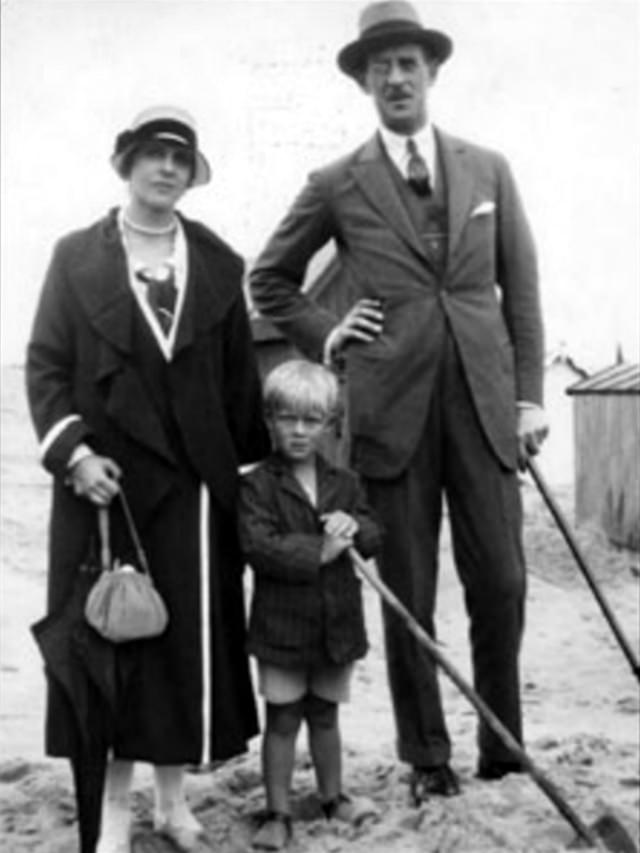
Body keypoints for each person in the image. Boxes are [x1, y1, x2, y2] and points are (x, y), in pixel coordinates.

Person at [250, 1, 549, 804]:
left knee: (504, 582)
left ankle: (503, 743)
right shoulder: (336, 183)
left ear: (432, 71)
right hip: (389, 415)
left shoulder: (488, 168)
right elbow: (268, 279)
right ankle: (427, 755)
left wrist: (528, 399)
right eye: (378, 65)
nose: (395, 76)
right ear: (363, 82)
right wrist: (326, 330)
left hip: (487, 411)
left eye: (408, 62)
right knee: (407, 588)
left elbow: (519, 292)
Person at [26, 105, 270, 853]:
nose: (166, 169)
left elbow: (240, 392)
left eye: (180, 159)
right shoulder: (76, 258)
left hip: (196, 496)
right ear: (126, 164)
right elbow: (46, 367)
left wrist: (254, 490)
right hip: (108, 489)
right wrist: (76, 455)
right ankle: (109, 820)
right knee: (109, 650)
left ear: (190, 175)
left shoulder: (221, 265)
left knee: (186, 649)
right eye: (153, 155)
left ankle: (173, 806)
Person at [238, 359, 382, 850]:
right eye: (287, 418)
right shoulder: (257, 484)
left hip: (336, 625)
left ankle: (333, 796)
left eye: (311, 420)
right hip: (281, 627)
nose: (299, 431)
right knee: (282, 719)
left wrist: (353, 527)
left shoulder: (345, 482)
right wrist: (318, 550)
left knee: (325, 715)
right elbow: (257, 545)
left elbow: (374, 533)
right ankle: (277, 812)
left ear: (328, 424)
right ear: (270, 420)